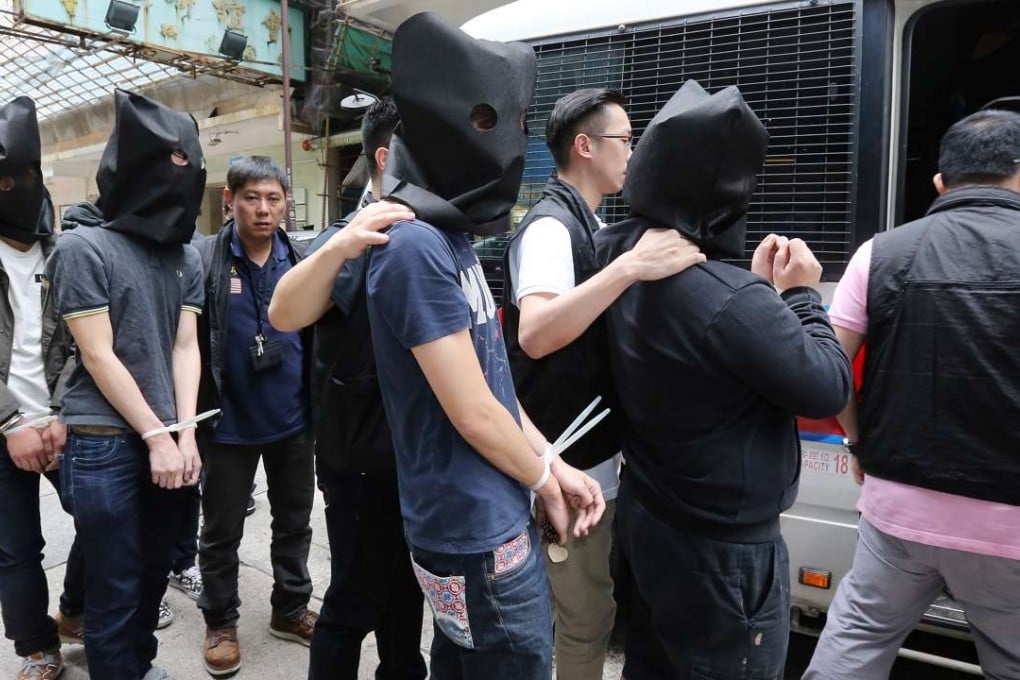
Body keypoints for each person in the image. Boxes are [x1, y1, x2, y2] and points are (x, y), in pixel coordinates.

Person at [364, 13, 605, 680]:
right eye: (502, 120)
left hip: (493, 516)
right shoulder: (414, 248)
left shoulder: (452, 235)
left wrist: (550, 464)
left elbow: (494, 386)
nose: (515, 140)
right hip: (472, 532)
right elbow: (471, 411)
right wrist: (542, 479)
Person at [593, 80, 853, 679]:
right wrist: (802, 298)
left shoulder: (615, 256)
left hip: (650, 515)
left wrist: (757, 293)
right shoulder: (734, 300)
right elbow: (826, 387)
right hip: (723, 550)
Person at [803, 109, 1020, 679]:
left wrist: (857, 442)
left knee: (852, 646)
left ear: (940, 183)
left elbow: (827, 366)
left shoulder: (880, 252)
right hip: (1010, 525)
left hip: (896, 508)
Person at [503, 88, 702, 680]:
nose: (633, 154)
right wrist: (630, 268)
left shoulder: (586, 223)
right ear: (585, 146)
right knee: (583, 617)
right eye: (625, 140)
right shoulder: (550, 230)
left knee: (577, 611)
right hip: (565, 464)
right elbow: (535, 332)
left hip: (587, 460)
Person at [46, 88, 206, 680]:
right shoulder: (81, 247)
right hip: (105, 440)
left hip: (167, 436)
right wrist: (159, 436)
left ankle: (137, 668)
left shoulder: (185, 255)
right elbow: (99, 354)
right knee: (113, 588)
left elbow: (185, 346)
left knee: (149, 577)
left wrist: (184, 433)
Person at [269, 98, 426, 680]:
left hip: (406, 457)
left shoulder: (423, 233)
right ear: (386, 158)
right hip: (359, 459)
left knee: (406, 591)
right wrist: (339, 247)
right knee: (353, 599)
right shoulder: (346, 239)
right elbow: (285, 312)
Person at [193, 155, 317, 677]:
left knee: (295, 522)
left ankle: (289, 608)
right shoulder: (204, 260)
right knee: (221, 531)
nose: (263, 209)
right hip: (228, 425)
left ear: (286, 203)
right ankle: (220, 620)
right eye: (251, 197)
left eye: (273, 198)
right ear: (230, 201)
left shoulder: (303, 259)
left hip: (292, 421)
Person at [0, 95, 85, 680]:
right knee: (15, 549)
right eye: (5, 179)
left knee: (102, 521)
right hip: (4, 429)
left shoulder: (68, 256)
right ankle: (36, 647)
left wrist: (61, 414)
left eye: (26, 176)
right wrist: (12, 424)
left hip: (65, 421)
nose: (18, 188)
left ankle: (74, 612)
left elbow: (87, 342)